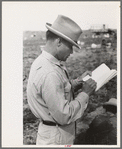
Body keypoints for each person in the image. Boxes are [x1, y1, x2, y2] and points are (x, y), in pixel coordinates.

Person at [27, 15, 97, 145]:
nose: (71, 52)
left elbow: (56, 91)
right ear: (58, 42)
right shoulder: (50, 72)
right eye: (70, 46)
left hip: (52, 133)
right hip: (57, 138)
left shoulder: (44, 62)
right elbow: (64, 115)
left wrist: (77, 82)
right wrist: (85, 93)